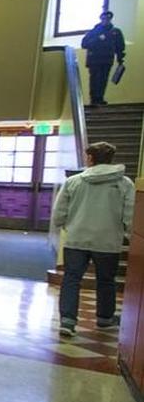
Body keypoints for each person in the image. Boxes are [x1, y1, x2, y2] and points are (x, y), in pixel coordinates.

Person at [51, 141, 134, 337]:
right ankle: (105, 317)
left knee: (71, 278)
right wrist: (129, 235)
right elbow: (129, 214)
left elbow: (59, 211)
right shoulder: (124, 183)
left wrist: (64, 225)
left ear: (90, 158)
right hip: (108, 241)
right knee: (106, 280)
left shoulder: (74, 181)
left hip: (76, 239)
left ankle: (68, 321)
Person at [81, 11, 127, 107]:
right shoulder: (94, 31)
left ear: (110, 19)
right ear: (101, 19)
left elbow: (120, 47)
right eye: (104, 18)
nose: (106, 20)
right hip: (94, 60)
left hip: (107, 60)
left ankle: (100, 98)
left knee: (103, 80)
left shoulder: (116, 32)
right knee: (94, 80)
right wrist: (98, 39)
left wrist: (120, 59)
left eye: (108, 18)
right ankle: (94, 99)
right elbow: (84, 44)